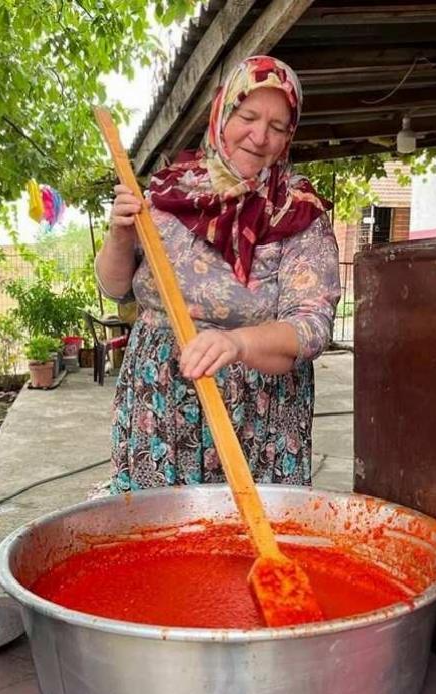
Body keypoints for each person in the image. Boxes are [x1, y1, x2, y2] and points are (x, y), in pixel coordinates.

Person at [95, 55, 341, 493]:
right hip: (161, 398)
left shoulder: (298, 212)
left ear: (289, 137)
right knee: (160, 535)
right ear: (222, 113)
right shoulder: (167, 195)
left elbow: (311, 327)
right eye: (247, 116)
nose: (259, 136)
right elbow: (116, 289)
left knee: (250, 540)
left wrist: (236, 342)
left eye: (278, 126)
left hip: (259, 409)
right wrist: (118, 233)